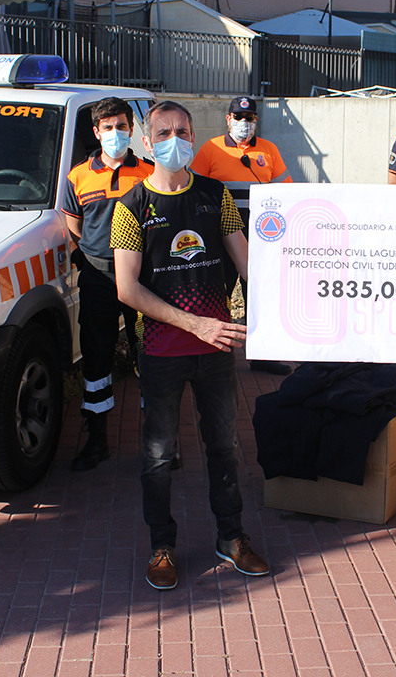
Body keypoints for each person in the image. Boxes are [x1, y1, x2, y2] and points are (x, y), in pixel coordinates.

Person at [112, 100, 270, 590]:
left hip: (215, 351)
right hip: (161, 352)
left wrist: (301, 308)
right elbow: (127, 289)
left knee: (223, 447)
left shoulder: (215, 196)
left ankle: (231, 537)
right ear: (146, 142)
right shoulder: (131, 206)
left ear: (194, 136)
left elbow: (249, 266)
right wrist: (195, 324)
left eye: (182, 131)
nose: (174, 140)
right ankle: (162, 546)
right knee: (159, 456)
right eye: (163, 133)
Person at [64, 97, 153, 470]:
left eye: (121, 126)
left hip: (143, 279)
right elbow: (74, 226)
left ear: (131, 129)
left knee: (149, 355)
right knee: (96, 357)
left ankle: (159, 442)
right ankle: (97, 439)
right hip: (98, 279)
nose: (115, 133)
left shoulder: (150, 172)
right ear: (96, 132)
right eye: (107, 127)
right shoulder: (78, 176)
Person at [190, 95, 291, 376]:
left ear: (256, 120)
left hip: (260, 237)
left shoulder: (269, 150)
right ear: (228, 119)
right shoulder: (211, 149)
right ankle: (212, 354)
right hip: (220, 236)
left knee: (258, 295)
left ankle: (262, 355)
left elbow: (285, 190)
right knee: (217, 292)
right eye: (238, 117)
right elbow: (194, 189)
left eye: (249, 118)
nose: (243, 123)